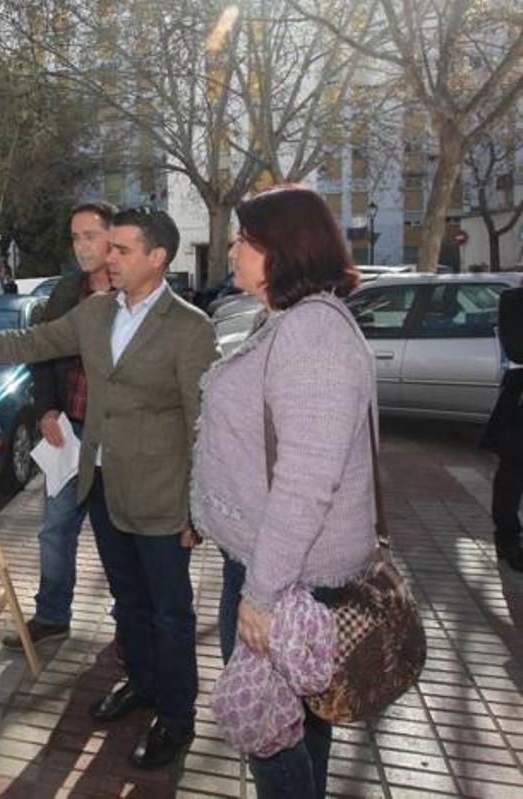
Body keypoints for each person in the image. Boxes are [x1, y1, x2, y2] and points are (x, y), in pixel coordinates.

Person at [0, 207, 218, 770]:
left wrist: (195, 511)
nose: (110, 258)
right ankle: (143, 684)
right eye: (111, 248)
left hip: (160, 496)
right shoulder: (96, 311)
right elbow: (28, 341)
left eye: (123, 249)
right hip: (99, 484)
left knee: (170, 613)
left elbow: (205, 423)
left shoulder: (190, 328)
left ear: (158, 258)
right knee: (128, 603)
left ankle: (177, 715)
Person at [191, 185, 378, 798]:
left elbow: (305, 481)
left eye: (247, 240)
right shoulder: (288, 322)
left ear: (284, 251)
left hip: (284, 575)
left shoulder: (311, 336)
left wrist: (262, 595)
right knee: (301, 722)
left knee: (268, 734)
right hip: (275, 564)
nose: (235, 250)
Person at [2, 201, 116, 651]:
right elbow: (42, 354)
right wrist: (47, 410)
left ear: (113, 237)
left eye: (91, 235)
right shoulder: (67, 291)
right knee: (55, 530)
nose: (81, 245)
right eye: (75, 237)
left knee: (117, 538)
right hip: (68, 433)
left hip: (116, 439)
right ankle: (52, 616)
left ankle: (128, 621)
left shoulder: (134, 291)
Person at [481, 285, 523, 572]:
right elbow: (516, 347)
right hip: (518, 405)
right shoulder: (513, 300)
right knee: (512, 472)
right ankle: (508, 538)